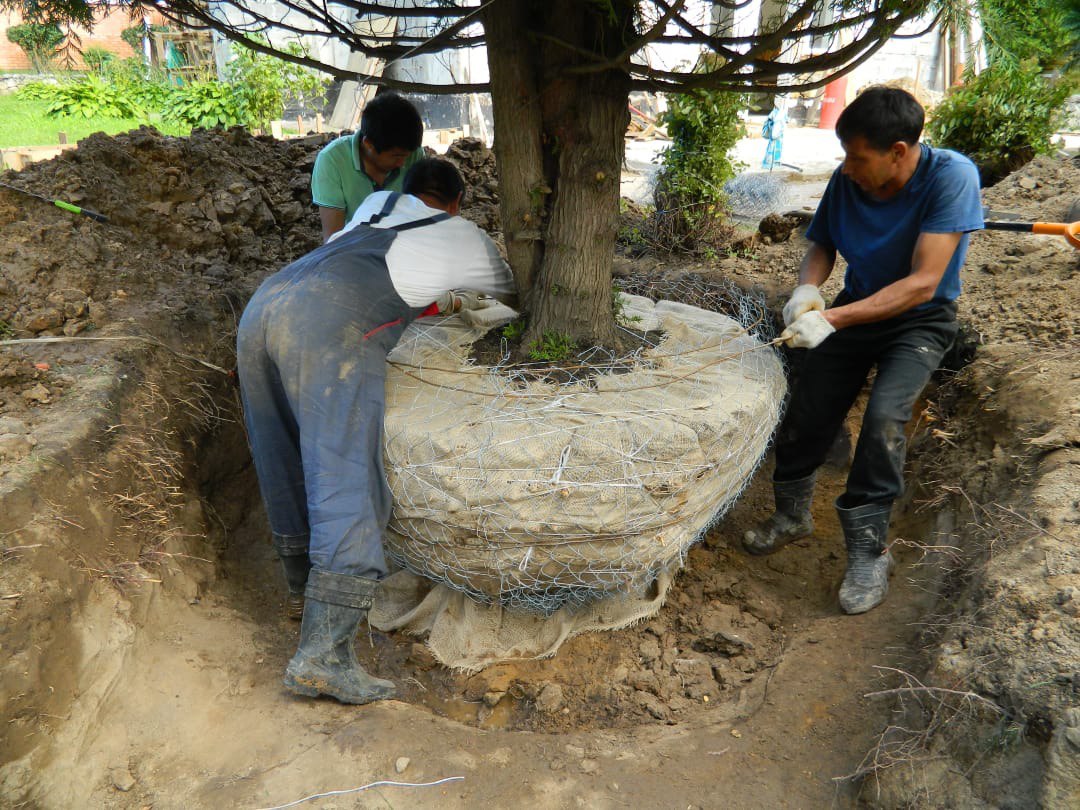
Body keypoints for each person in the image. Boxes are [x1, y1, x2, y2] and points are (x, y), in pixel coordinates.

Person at [237, 158, 516, 704]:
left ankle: (299, 592)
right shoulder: (463, 234)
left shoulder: (376, 204)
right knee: (344, 476)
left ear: (405, 190)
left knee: (282, 452)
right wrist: (462, 298)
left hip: (266, 304)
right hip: (328, 324)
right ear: (456, 203)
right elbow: (510, 298)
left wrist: (439, 296)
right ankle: (322, 657)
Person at [742, 86, 983, 615]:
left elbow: (923, 283)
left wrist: (830, 319)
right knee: (808, 410)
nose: (847, 168)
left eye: (857, 157)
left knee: (883, 420)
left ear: (898, 151)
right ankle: (792, 516)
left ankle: (870, 553)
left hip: (920, 319)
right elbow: (823, 244)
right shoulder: (848, 179)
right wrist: (808, 290)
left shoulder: (951, 178)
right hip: (857, 307)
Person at [311, 92, 427, 242]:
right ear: (368, 144)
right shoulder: (332, 160)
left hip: (404, 245)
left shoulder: (415, 155)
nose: (402, 163)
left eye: (407, 156)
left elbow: (424, 217)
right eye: (396, 156)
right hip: (354, 247)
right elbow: (333, 239)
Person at [761, 99, 787, 171]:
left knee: (776, 147)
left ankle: (775, 162)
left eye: (780, 102)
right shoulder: (775, 112)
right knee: (772, 147)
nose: (779, 104)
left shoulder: (782, 112)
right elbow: (769, 121)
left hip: (778, 134)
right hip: (775, 133)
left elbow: (785, 122)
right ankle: (770, 162)